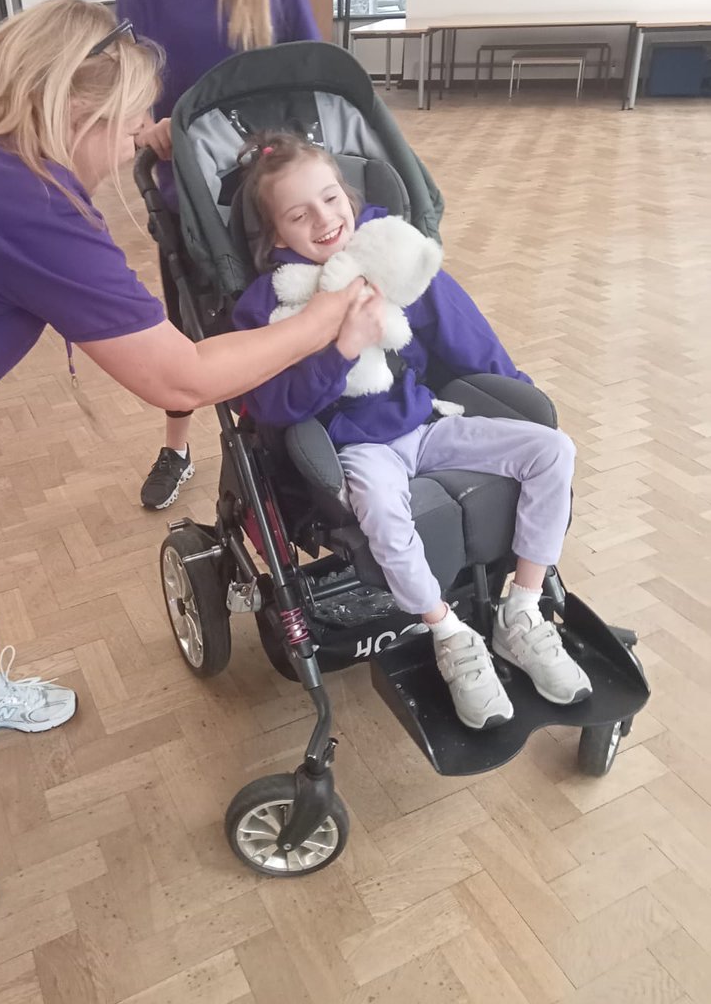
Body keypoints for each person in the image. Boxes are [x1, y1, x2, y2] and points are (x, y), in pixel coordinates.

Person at [0, 1, 364, 971]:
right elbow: (178, 379)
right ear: (79, 113)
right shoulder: (24, 194)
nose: (133, 146)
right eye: (132, 123)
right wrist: (322, 324)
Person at [231, 133, 593, 731]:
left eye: (330, 199)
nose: (324, 220)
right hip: (355, 446)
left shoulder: (388, 258)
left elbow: (460, 331)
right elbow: (272, 403)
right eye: (299, 215)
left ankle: (521, 615)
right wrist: (340, 351)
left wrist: (516, 391)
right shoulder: (270, 304)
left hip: (424, 424)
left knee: (552, 449)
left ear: (347, 194)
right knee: (382, 509)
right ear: (276, 235)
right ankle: (448, 633)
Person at [116, 0, 321, 510]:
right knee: (187, 325)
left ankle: (289, 435)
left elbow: (310, 83)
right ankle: (177, 447)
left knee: (281, 312)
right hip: (187, 197)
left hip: (273, 193)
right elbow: (130, 84)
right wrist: (146, 129)